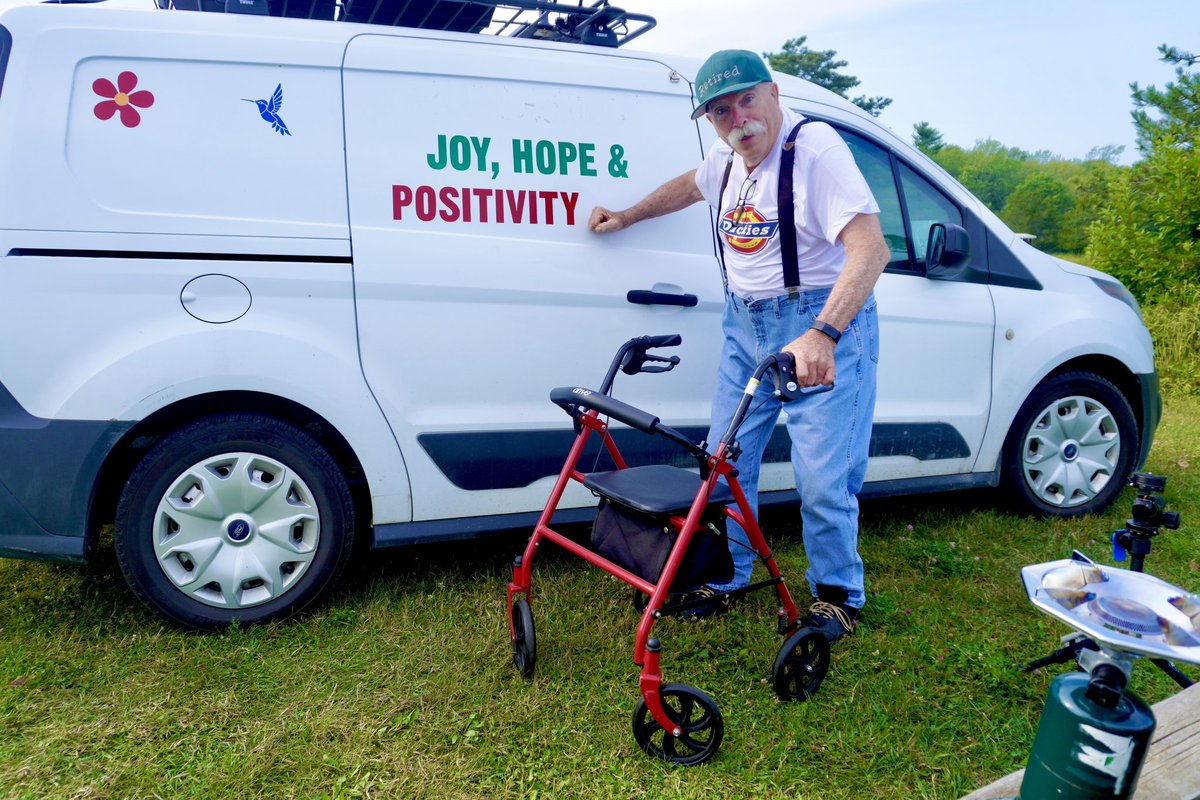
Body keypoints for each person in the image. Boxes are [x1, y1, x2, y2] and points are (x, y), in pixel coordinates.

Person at [587, 50, 890, 641]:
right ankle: (728, 575)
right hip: (745, 328)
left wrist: (823, 334)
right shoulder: (726, 155)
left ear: (772, 93)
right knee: (723, 461)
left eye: (747, 99)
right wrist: (626, 217)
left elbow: (870, 249)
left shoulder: (815, 150)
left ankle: (837, 596)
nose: (736, 118)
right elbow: (688, 187)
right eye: (720, 110)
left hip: (818, 323)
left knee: (824, 476)